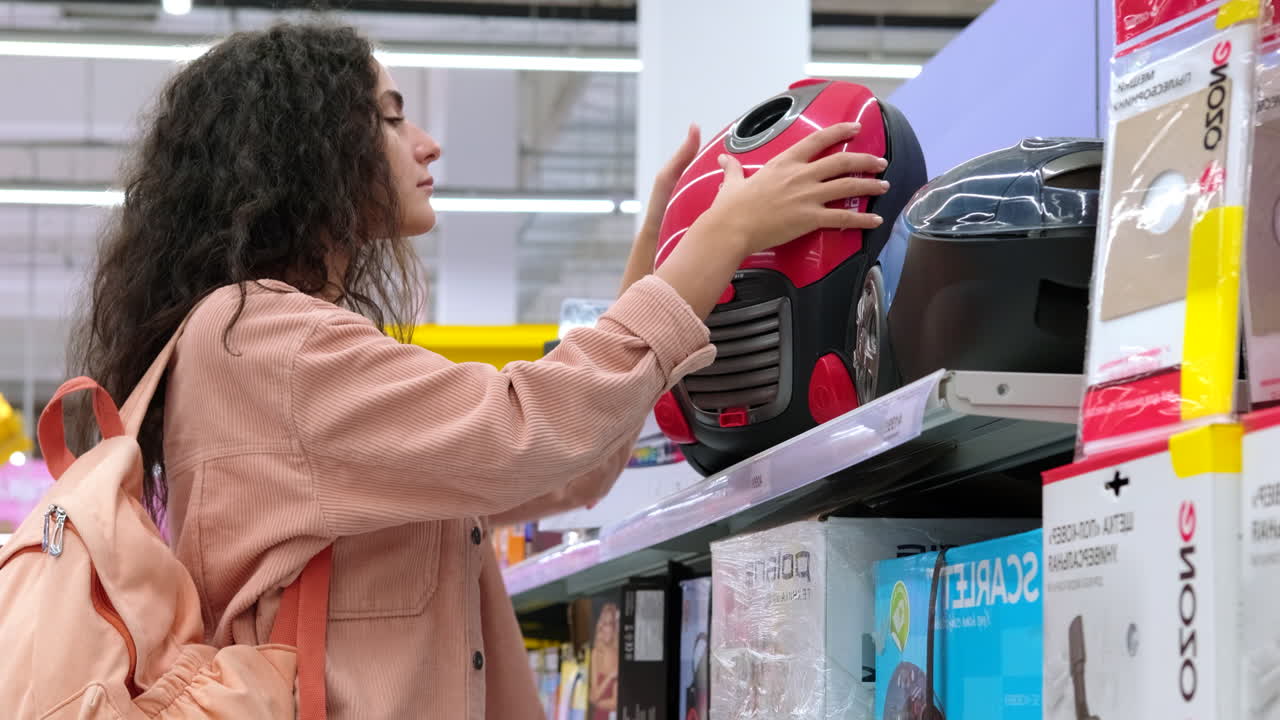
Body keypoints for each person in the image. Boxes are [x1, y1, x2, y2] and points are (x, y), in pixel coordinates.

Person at [70, 20, 889, 720]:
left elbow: (566, 464)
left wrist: (656, 257)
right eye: (391, 120)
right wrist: (722, 237)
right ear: (304, 153)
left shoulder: (269, 343)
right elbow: (524, 430)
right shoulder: (257, 339)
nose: (424, 143)